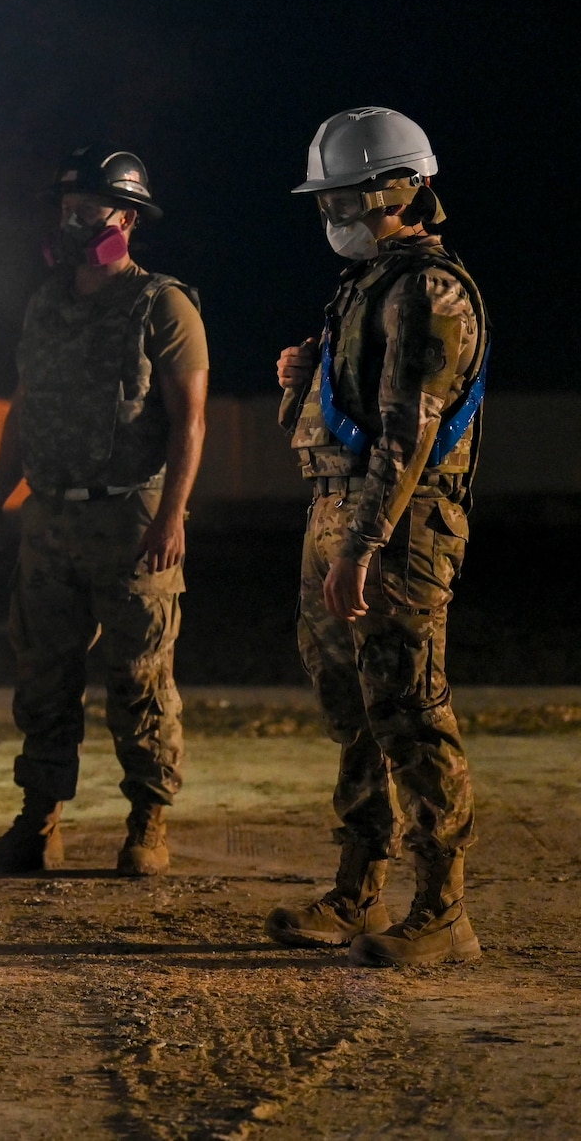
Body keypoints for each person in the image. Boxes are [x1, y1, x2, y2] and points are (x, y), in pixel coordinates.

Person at [263, 107, 488, 967]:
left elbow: (410, 428)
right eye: (328, 201)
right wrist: (302, 381)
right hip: (343, 516)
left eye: (348, 197)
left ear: (402, 189)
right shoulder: (368, 286)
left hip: (396, 528)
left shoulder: (429, 290)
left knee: (409, 709)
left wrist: (363, 543)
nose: (335, 216)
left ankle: (443, 911)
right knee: (353, 713)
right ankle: (358, 889)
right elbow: (346, 418)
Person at [0, 147, 208, 877]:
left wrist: (172, 516)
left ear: (125, 219)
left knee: (138, 679)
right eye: (66, 210)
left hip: (131, 521)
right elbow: (23, 407)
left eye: (87, 211)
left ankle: (147, 825)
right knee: (44, 677)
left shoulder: (162, 303)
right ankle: (38, 825)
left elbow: (189, 421)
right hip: (50, 521)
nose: (72, 222)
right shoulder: (47, 303)